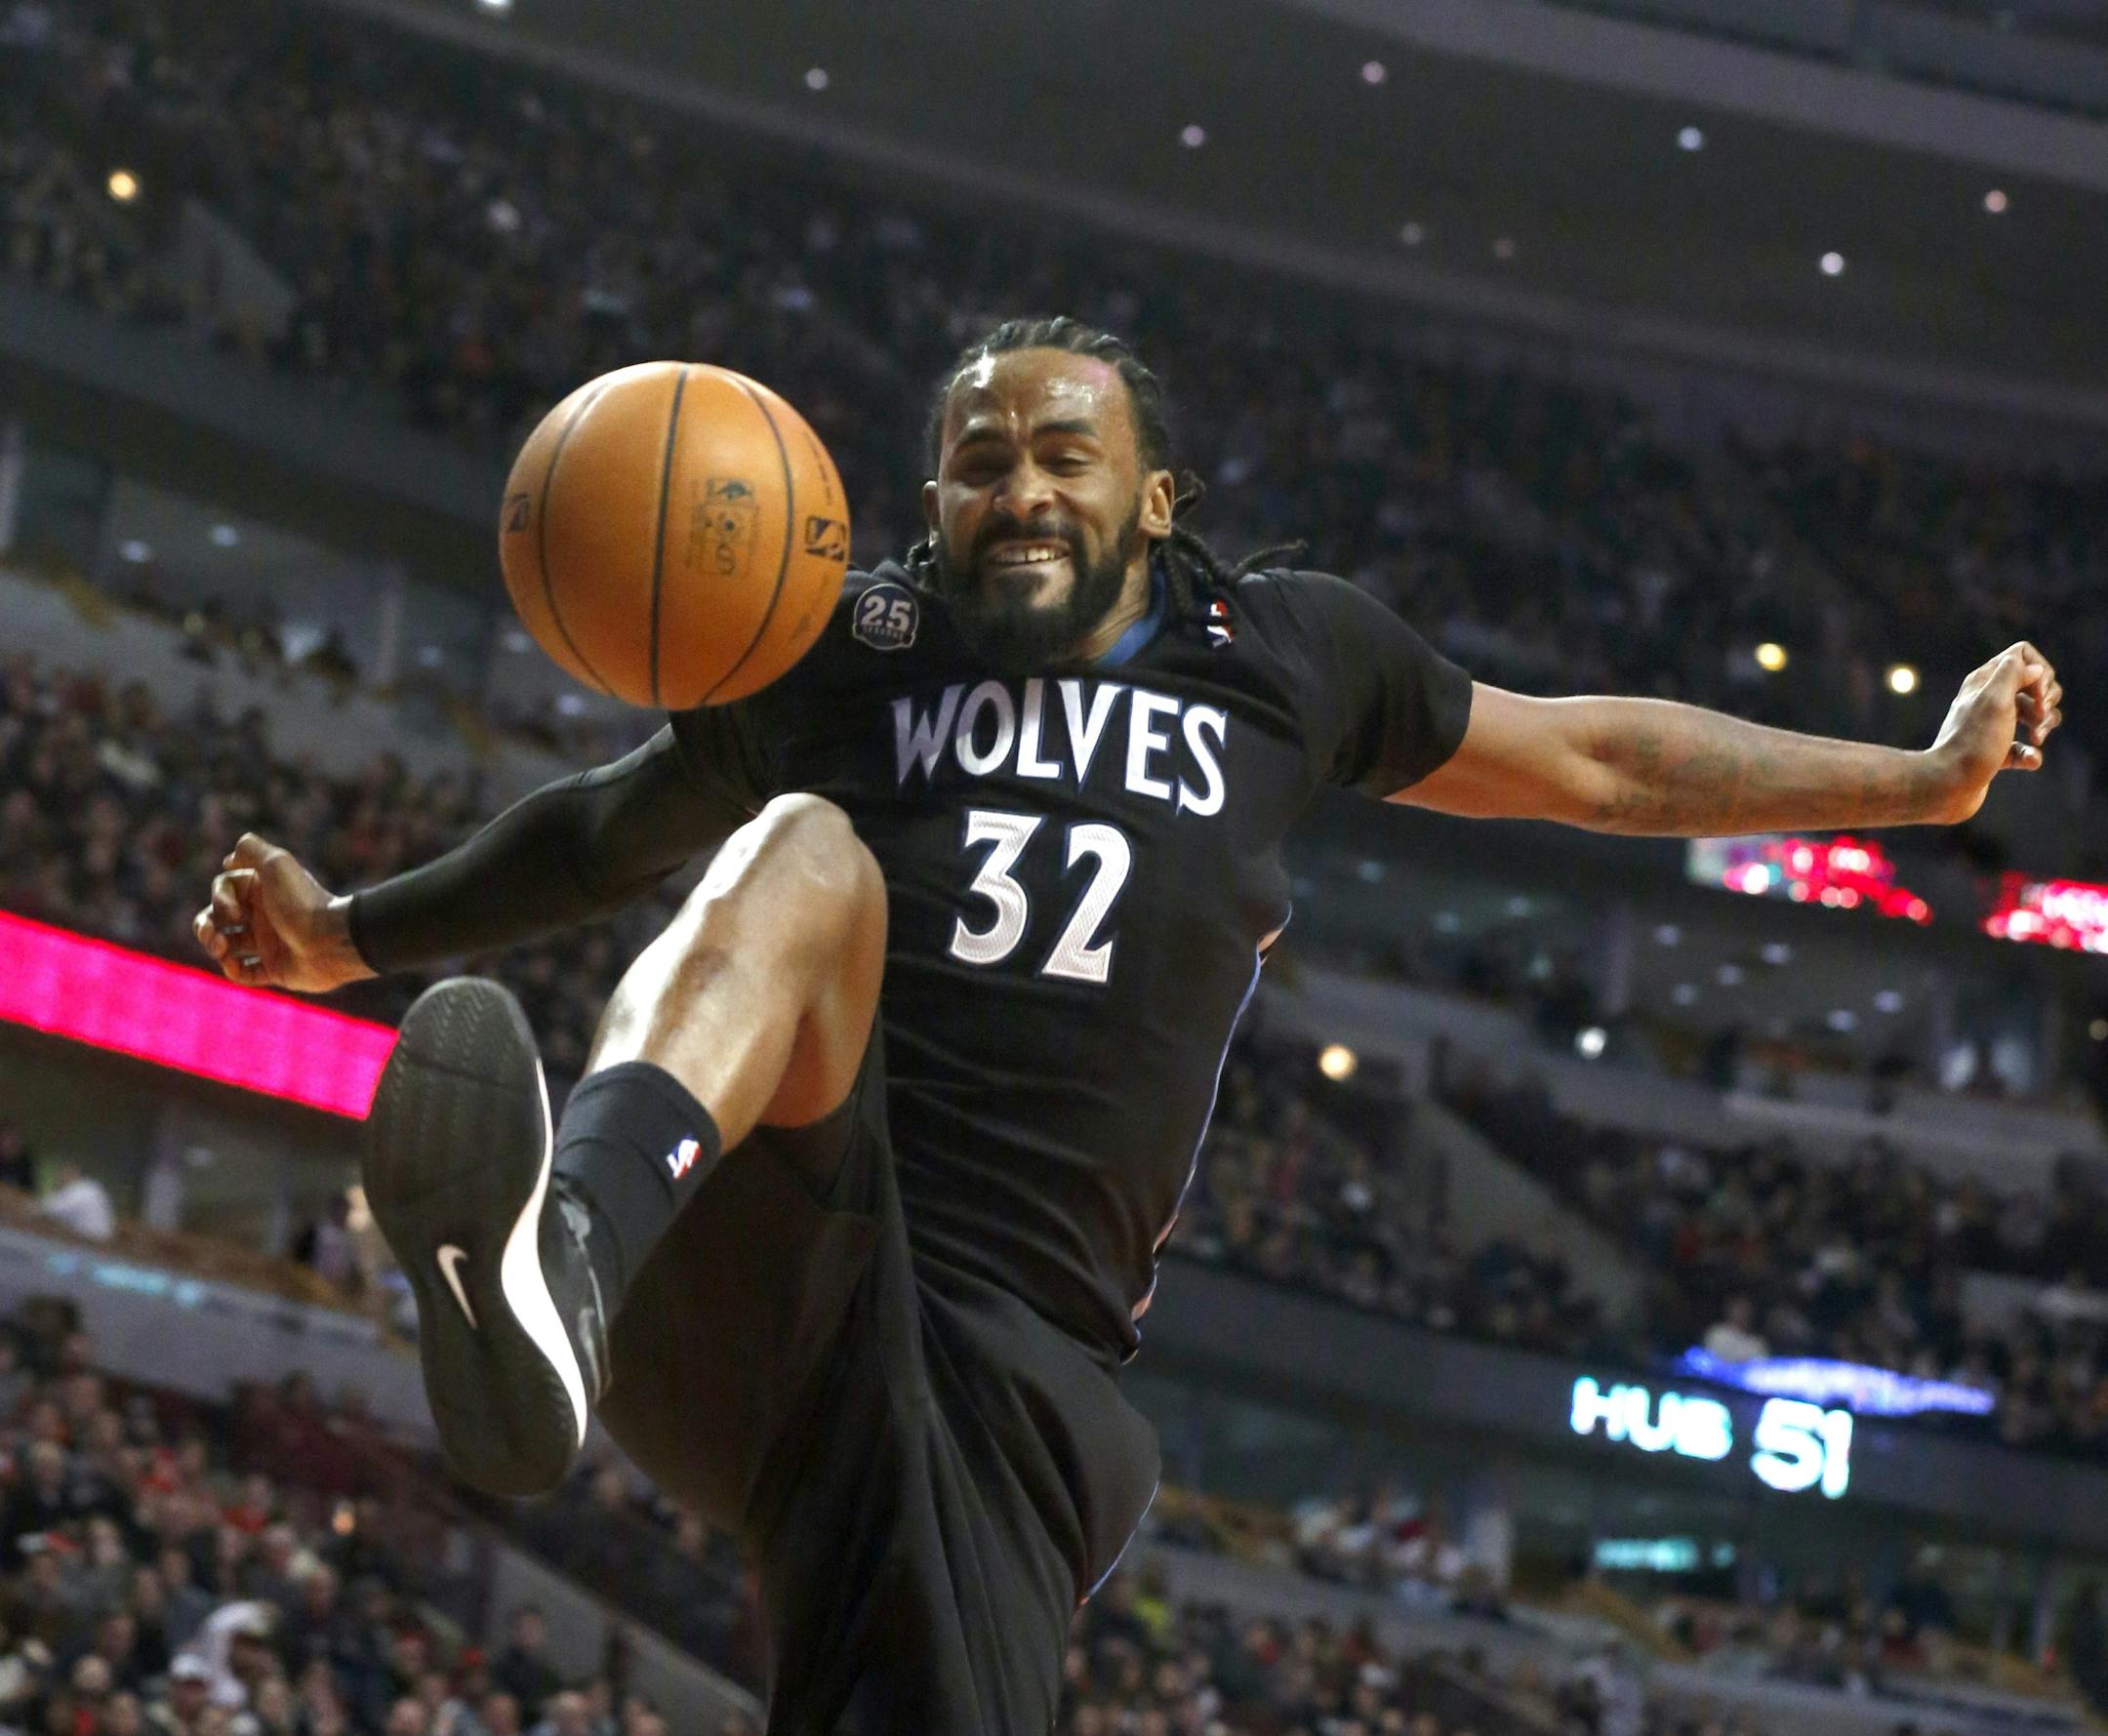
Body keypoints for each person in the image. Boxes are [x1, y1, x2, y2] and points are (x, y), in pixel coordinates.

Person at [193, 317, 2064, 1734]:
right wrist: (351, 938)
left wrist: (1910, 781)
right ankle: (559, 1275)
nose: (1018, 486)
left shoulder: (1292, 654)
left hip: (1017, 1359)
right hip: (774, 1259)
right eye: (977, 458)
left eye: (1062, 454)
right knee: (798, 855)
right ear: (925, 505)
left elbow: (1591, 756)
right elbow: (604, 831)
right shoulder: (848, 644)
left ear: (1152, 499)